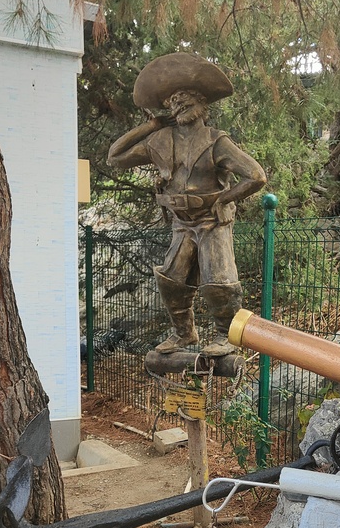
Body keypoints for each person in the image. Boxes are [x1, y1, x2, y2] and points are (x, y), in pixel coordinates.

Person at [108, 53, 267, 357]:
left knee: (218, 280)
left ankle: (227, 336)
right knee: (172, 279)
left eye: (185, 100)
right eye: (172, 102)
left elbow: (256, 176)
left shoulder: (216, 141)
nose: (178, 105)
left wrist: (225, 199)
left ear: (201, 104)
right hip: (181, 221)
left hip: (211, 220)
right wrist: (150, 125)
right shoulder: (160, 140)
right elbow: (115, 158)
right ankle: (184, 334)